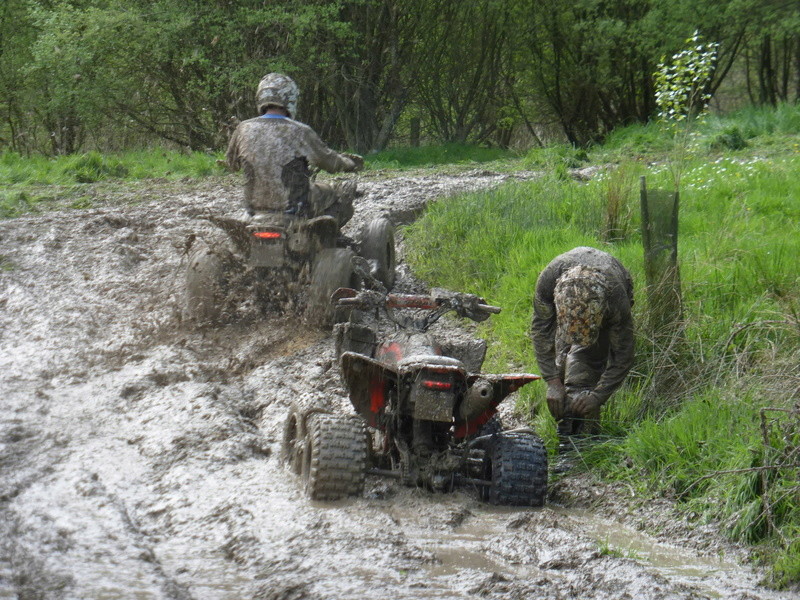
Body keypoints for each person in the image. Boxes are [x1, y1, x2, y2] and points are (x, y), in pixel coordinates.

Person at [225, 73, 363, 226]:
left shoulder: (243, 128)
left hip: (253, 210)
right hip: (294, 209)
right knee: (335, 193)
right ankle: (326, 239)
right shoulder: (301, 131)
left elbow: (232, 164)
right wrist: (349, 163)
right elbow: (330, 162)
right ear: (291, 99)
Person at [530, 247, 634, 442]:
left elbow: (623, 354)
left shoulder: (616, 300)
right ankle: (566, 431)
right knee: (561, 364)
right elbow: (541, 332)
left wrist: (597, 396)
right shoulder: (548, 281)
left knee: (583, 372)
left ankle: (586, 438)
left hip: (609, 290)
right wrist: (552, 381)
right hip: (565, 303)